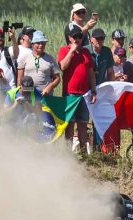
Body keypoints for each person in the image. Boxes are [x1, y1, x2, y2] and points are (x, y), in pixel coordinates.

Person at [58, 25, 97, 154]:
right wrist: (72, 51)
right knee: (70, 124)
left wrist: (93, 90)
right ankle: (67, 154)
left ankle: (83, 154)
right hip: (70, 94)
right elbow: (63, 66)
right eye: (75, 36)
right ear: (69, 38)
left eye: (80, 36)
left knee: (83, 124)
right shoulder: (64, 50)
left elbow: (91, 72)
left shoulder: (86, 52)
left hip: (84, 94)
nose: (77, 39)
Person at [17, 31, 59, 96]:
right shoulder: (24, 58)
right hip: (28, 96)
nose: (41, 45)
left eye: (43, 43)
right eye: (38, 43)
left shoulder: (50, 59)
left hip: (46, 96)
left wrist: (50, 87)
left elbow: (57, 78)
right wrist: (21, 94)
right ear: (32, 44)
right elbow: (19, 80)